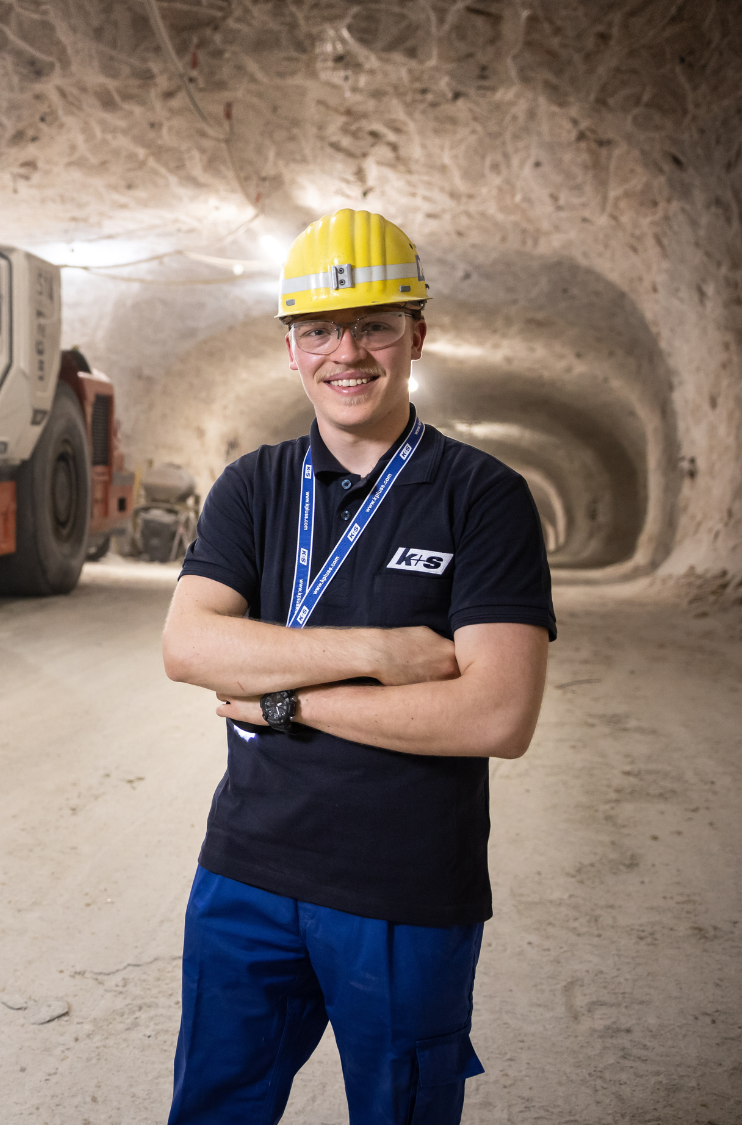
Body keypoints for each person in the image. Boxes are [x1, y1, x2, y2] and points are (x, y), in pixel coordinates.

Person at [159, 208, 557, 1124]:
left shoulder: (483, 497)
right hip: (245, 874)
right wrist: (380, 654)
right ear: (291, 350)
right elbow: (189, 645)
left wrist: (286, 699)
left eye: (374, 325)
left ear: (417, 334)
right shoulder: (253, 486)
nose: (347, 352)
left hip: (403, 891)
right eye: (319, 331)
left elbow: (497, 715)